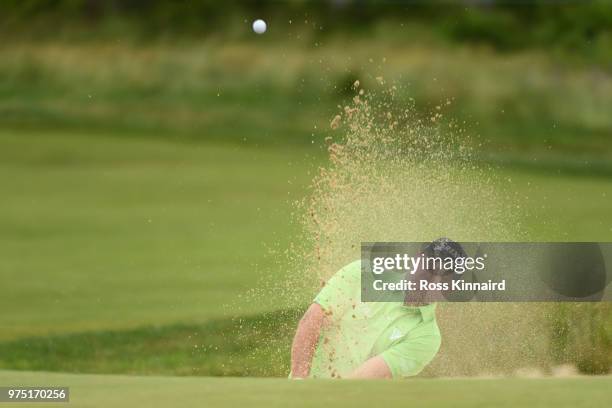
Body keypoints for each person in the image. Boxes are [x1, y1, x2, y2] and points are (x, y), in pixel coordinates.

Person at [290, 238, 466, 379]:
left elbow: (370, 374)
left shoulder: (427, 337)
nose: (432, 280)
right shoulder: (364, 273)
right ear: (418, 258)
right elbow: (312, 320)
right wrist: (300, 385)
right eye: (430, 268)